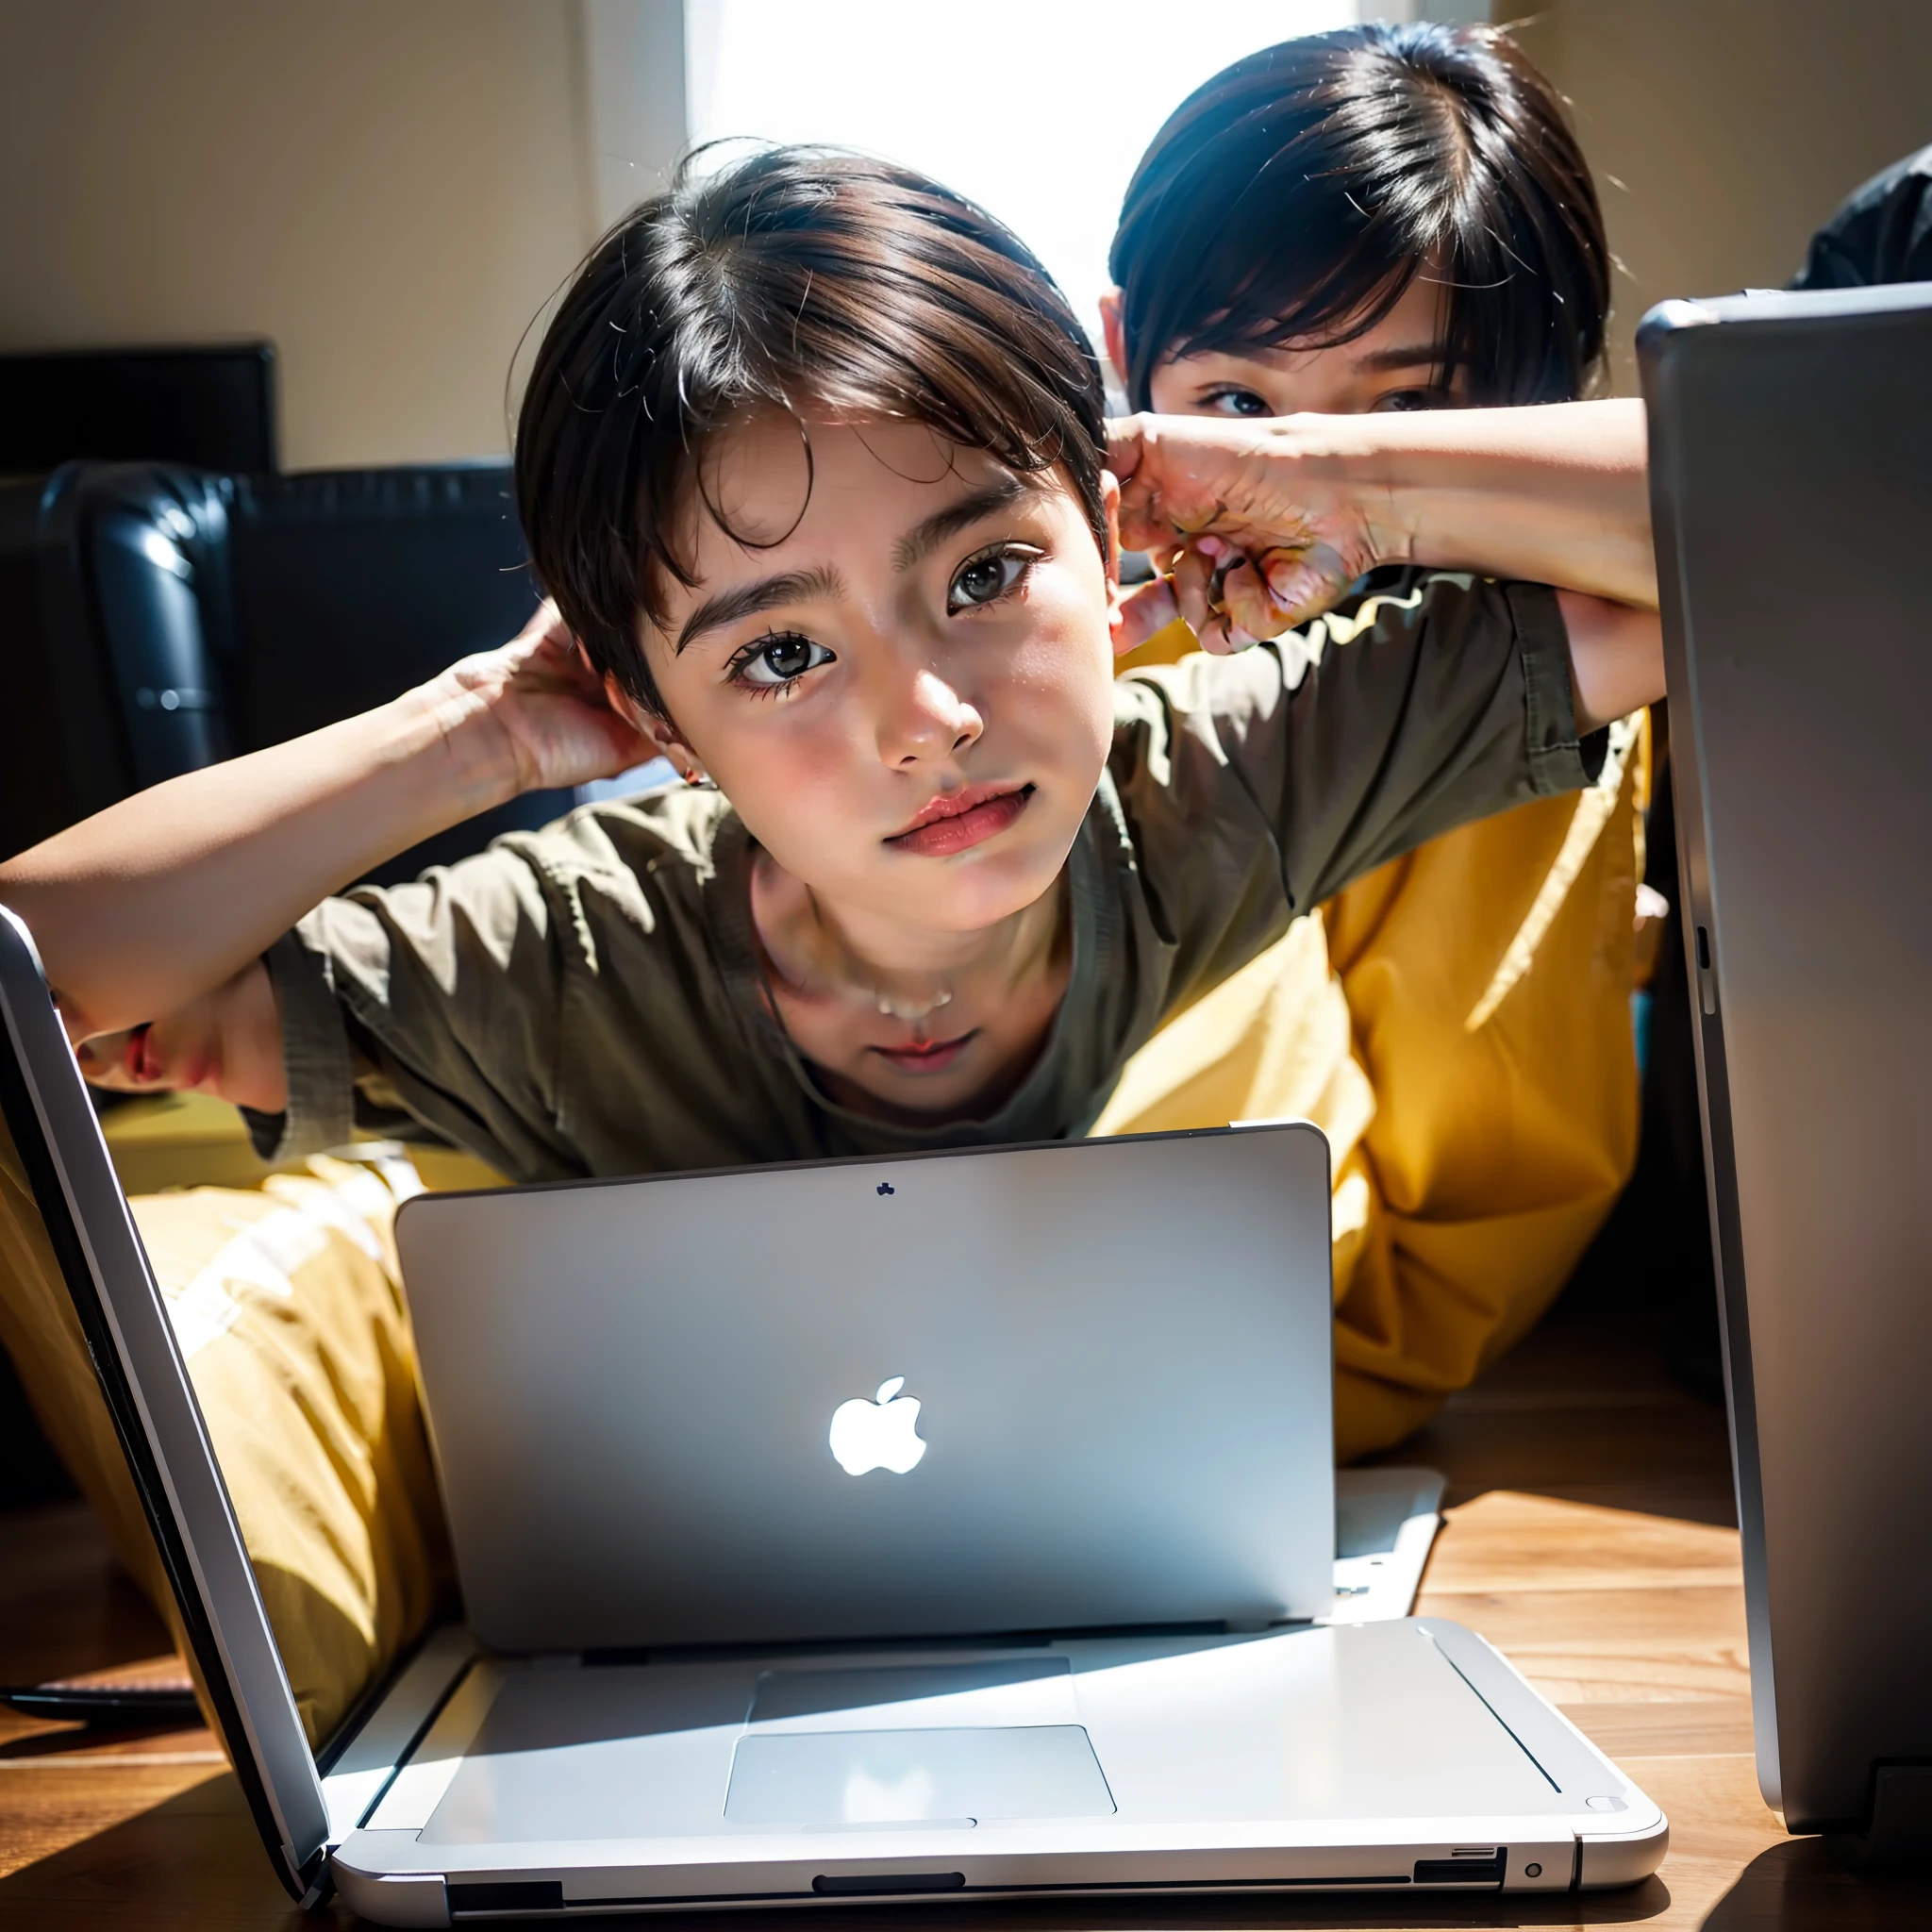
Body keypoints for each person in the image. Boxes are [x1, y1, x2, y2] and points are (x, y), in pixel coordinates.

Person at [0, 143, 1658, 1330]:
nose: (927, 724)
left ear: (1107, 540)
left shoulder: (1218, 780)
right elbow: (42, 988)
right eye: (782, 653)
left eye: (988, 572)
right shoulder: (571, 958)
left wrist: (1336, 478)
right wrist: (478, 733)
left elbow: (1772, 534)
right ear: (660, 717)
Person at [1090, 21, 1653, 1452]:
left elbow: (1823, 493)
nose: (1279, 488)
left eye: (1408, 409)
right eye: (1234, 405)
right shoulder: (1067, 629)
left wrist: (1351, 487)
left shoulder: (1562, 648)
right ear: (1119, 355)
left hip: (1272, 1392)